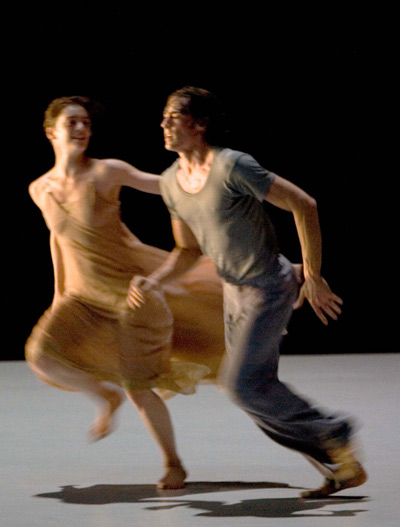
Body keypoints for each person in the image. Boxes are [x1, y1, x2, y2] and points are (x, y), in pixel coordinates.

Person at [128, 86, 367, 498]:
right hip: (234, 294)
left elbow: (303, 204)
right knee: (246, 391)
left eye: (173, 116)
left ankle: (336, 434)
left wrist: (312, 275)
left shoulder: (233, 166)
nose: (163, 123)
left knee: (243, 385)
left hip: (269, 285)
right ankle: (338, 465)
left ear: (199, 124)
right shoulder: (171, 183)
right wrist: (155, 281)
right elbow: (187, 250)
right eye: (163, 117)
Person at [26, 96, 226, 490]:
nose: (82, 129)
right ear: (51, 132)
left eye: (85, 122)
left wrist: (206, 180)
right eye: (72, 123)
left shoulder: (106, 172)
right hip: (82, 297)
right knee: (42, 357)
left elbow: (168, 187)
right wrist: (58, 294)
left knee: (139, 386)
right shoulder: (39, 189)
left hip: (129, 294)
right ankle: (105, 397)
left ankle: (173, 464)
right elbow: (58, 239)